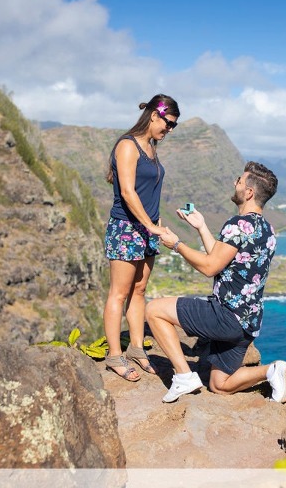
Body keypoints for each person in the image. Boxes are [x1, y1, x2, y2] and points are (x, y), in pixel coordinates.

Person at [146, 161, 286, 403]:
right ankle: (273, 370)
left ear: (249, 192)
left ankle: (184, 376)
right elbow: (221, 257)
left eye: (239, 181)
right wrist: (202, 227)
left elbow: (210, 266)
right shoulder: (267, 229)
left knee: (153, 310)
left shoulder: (237, 224)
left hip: (226, 315)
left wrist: (176, 244)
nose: (235, 183)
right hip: (248, 323)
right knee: (220, 385)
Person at [102, 94, 180, 382]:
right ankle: (114, 356)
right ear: (154, 115)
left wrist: (154, 223)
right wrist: (152, 226)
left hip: (147, 229)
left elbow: (147, 192)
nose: (169, 130)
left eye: (173, 126)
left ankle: (136, 348)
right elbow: (127, 192)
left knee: (139, 291)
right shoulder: (127, 145)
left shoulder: (151, 146)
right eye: (168, 123)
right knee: (119, 293)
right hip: (126, 228)